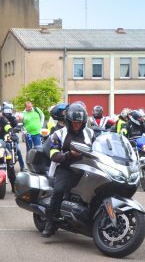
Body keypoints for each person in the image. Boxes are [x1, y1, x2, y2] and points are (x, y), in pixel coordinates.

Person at [42, 102, 95, 238]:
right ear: (68, 121)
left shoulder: (90, 133)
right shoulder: (59, 134)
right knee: (59, 190)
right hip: (65, 167)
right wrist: (68, 154)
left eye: (79, 122)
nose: (77, 125)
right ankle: (50, 222)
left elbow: (99, 147)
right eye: (74, 122)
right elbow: (54, 154)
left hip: (86, 167)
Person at [2, 102, 25, 171]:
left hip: (12, 136)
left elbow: (16, 124)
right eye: (6, 111)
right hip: (2, 137)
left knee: (18, 150)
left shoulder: (12, 118)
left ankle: (22, 166)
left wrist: (17, 127)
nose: (7, 113)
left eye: (9, 111)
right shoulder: (1, 118)